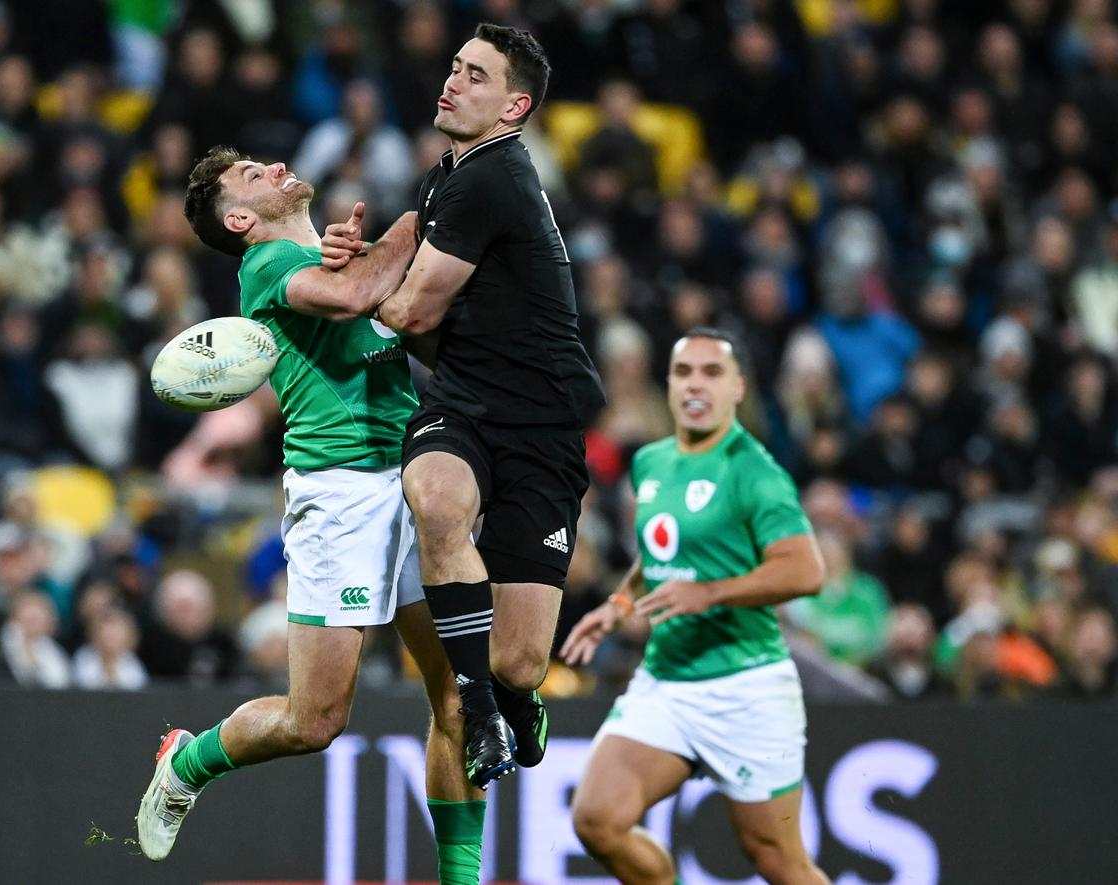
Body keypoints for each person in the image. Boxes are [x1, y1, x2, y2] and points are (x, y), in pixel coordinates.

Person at [135, 147, 486, 884]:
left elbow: (393, 300)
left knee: (459, 694)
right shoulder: (265, 265)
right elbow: (358, 295)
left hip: (416, 475)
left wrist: (372, 252)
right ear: (240, 219)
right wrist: (418, 218)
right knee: (315, 721)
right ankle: (188, 763)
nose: (272, 166)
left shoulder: (330, 257)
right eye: (251, 175)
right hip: (340, 496)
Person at [326, 22, 604, 788]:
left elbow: (410, 311)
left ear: (515, 107)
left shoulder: (492, 177)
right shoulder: (450, 173)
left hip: (543, 426)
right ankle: (479, 712)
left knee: (520, 659)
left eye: (477, 75)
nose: (453, 81)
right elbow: (406, 280)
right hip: (464, 402)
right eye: (455, 67)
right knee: (437, 497)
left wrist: (354, 291)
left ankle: (509, 696)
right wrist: (363, 264)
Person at [561, 329, 831, 885]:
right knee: (597, 820)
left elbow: (806, 570)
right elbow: (663, 551)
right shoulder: (652, 461)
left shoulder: (755, 472)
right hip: (667, 681)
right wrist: (622, 601)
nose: (695, 385)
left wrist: (709, 592)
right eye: (684, 372)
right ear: (668, 385)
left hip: (746, 687)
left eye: (712, 373)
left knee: (778, 861)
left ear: (738, 388)